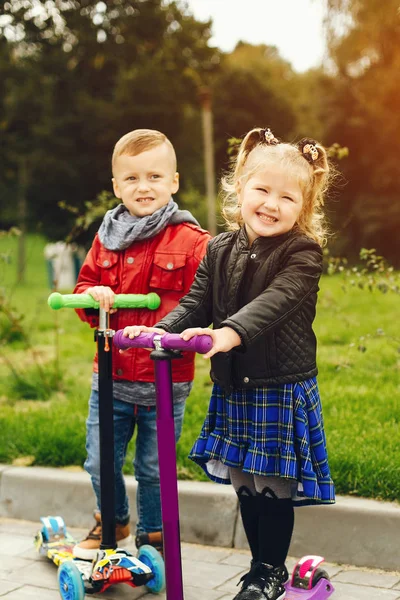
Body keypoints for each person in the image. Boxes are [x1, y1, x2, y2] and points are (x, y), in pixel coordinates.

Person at [123, 127, 336, 600]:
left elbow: (274, 303)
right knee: (243, 479)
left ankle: (269, 570)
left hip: (279, 385)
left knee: (270, 481)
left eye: (287, 197)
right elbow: (197, 302)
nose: (271, 204)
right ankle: (259, 568)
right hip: (235, 383)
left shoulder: (303, 253)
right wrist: (163, 328)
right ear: (240, 188)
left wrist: (226, 333)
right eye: (261, 190)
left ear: (304, 206)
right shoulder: (219, 249)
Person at [72, 128, 211, 560]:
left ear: (173, 182)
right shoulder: (106, 237)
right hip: (111, 377)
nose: (143, 187)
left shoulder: (191, 242)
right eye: (131, 179)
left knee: (153, 469)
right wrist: (92, 297)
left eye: (154, 176)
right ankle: (111, 520)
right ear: (116, 186)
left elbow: (205, 300)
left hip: (165, 379)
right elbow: (82, 291)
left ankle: (153, 534)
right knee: (100, 461)